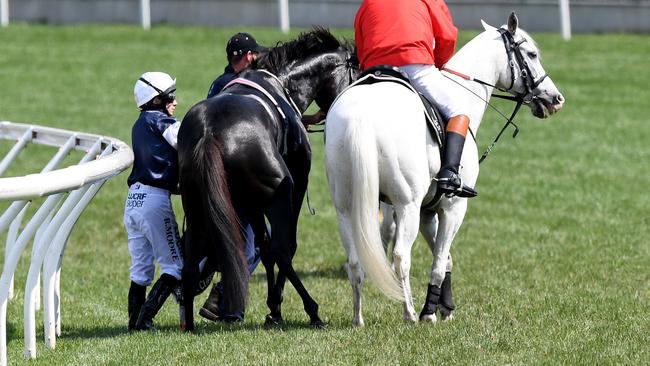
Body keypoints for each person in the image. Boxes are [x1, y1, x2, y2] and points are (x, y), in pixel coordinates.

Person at [354, 0, 477, 198]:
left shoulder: (368, 2)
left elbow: (360, 43)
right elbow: (446, 36)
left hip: (374, 70)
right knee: (459, 109)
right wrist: (437, 64)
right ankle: (449, 174)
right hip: (415, 64)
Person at [124, 71, 184, 331]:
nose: (175, 102)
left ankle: (133, 323)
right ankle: (144, 319)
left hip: (133, 201)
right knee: (176, 267)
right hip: (154, 201)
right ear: (157, 100)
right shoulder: (161, 121)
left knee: (140, 270)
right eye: (171, 96)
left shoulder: (139, 124)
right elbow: (188, 141)